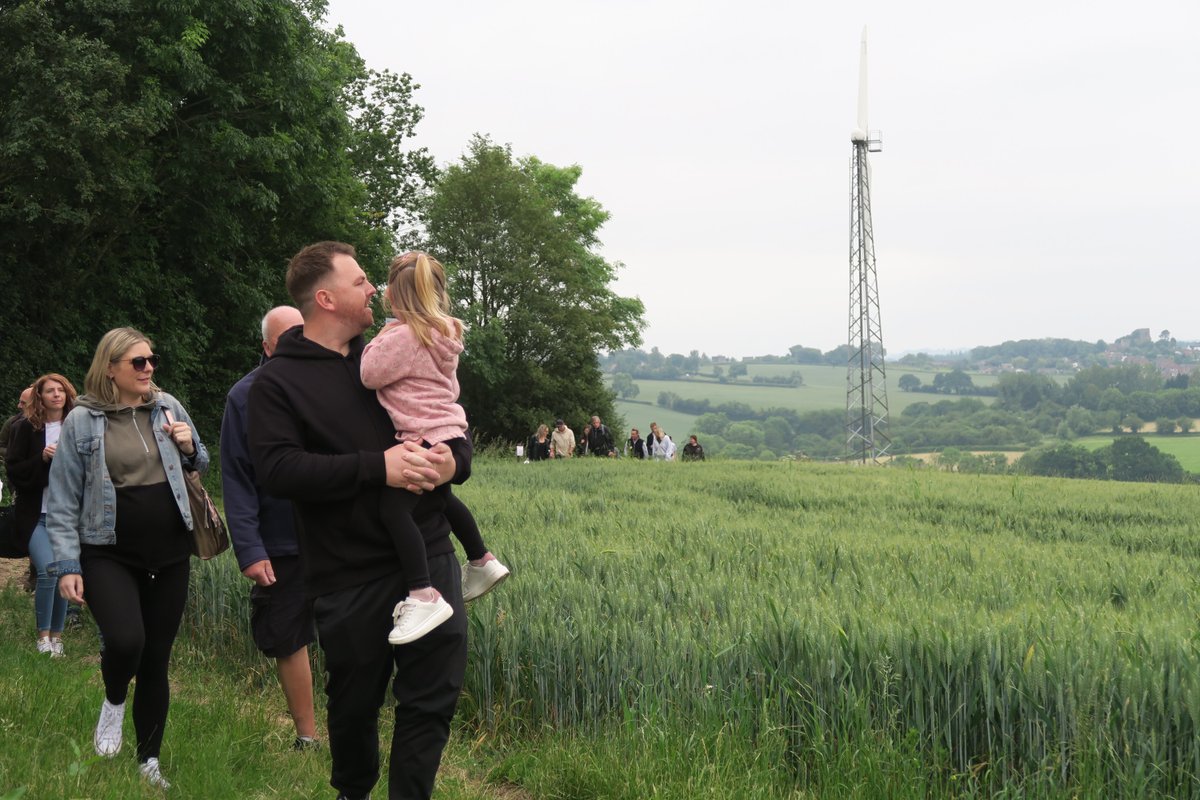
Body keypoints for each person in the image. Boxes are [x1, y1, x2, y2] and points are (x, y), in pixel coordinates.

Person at [247, 241, 472, 800]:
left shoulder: (397, 348)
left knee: (432, 695)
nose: (372, 288)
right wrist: (379, 468)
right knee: (354, 703)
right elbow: (277, 470)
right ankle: (353, 792)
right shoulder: (276, 383)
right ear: (325, 298)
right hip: (348, 572)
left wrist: (454, 461)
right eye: (359, 281)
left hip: (428, 553)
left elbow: (445, 417)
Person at [47, 327, 209, 791]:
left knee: (156, 659)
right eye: (138, 362)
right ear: (111, 368)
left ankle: (148, 762)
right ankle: (114, 698)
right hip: (108, 552)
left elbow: (202, 464)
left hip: (171, 554)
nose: (149, 368)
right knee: (125, 642)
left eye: (151, 360)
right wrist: (67, 565)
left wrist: (187, 446)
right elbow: (61, 500)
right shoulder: (83, 420)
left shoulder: (168, 406)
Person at [361, 251, 509, 646]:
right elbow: (450, 389)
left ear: (393, 297)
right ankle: (481, 559)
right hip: (449, 430)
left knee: (392, 510)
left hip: (423, 433)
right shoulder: (445, 333)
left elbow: (369, 373)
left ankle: (422, 593)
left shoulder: (405, 336)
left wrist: (383, 333)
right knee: (441, 497)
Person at [220, 306, 319, 751]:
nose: (296, 345)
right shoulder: (244, 397)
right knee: (287, 635)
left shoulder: (335, 381)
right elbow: (236, 478)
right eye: (285, 339)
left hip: (336, 535)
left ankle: (356, 728)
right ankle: (308, 737)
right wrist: (250, 548)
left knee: (350, 632)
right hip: (279, 539)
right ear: (266, 347)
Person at [6, 374, 77, 656]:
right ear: (40, 396)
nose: (56, 395)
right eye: (50, 391)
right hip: (35, 514)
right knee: (47, 571)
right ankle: (42, 636)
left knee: (62, 573)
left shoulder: (76, 427)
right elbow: (14, 470)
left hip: (68, 516)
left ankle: (57, 638)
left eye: (61, 390)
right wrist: (42, 459)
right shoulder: (25, 428)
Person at [0, 386, 33, 466]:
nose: (19, 406)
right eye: (20, 402)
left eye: (23, 403)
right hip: (17, 472)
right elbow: (1, 446)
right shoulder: (12, 422)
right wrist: (15, 454)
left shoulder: (55, 425)